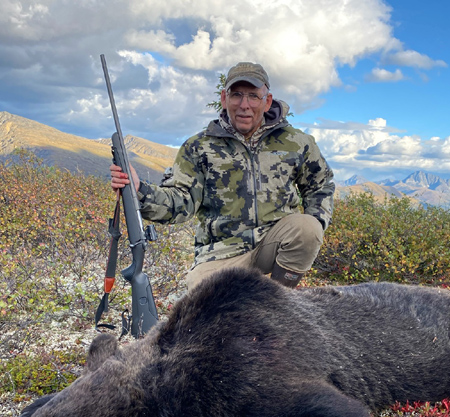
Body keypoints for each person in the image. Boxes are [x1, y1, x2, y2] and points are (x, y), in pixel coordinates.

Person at [110, 61, 335, 289]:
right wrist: (139, 190)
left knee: (308, 228)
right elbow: (181, 201)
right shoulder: (198, 146)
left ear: (267, 101)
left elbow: (320, 184)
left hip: (273, 240)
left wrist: (316, 226)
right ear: (224, 98)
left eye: (253, 96)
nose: (244, 105)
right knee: (201, 295)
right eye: (236, 95)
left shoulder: (297, 142)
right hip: (222, 251)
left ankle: (280, 300)